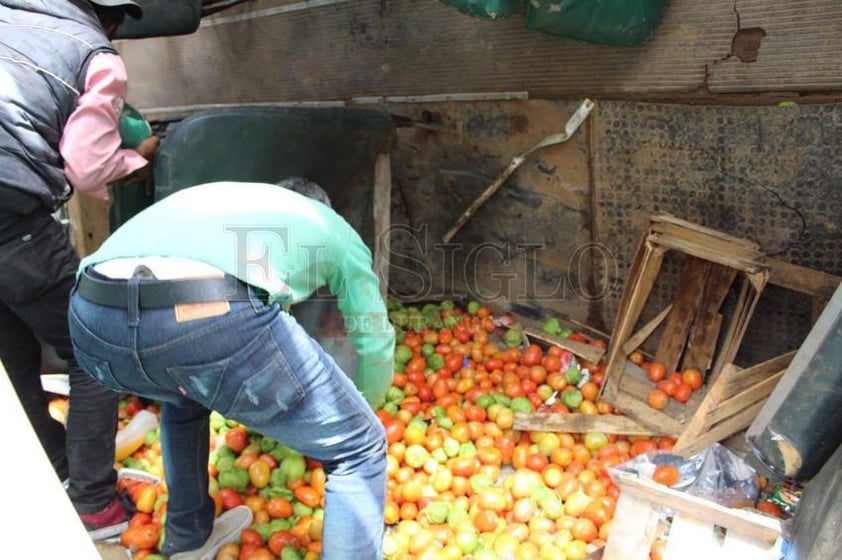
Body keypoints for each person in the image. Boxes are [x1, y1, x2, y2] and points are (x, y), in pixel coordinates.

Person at [68, 179, 395, 559]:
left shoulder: (225, 200)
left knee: (183, 398)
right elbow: (373, 336)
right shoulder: (330, 226)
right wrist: (363, 408)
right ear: (322, 205)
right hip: (205, 313)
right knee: (360, 447)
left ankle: (188, 538)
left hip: (91, 322)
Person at [0, 0, 159, 539]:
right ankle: (94, 503)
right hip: (9, 212)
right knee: (96, 349)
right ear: (106, 18)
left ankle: (54, 467)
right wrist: (137, 157)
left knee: (13, 351)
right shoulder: (96, 55)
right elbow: (88, 165)